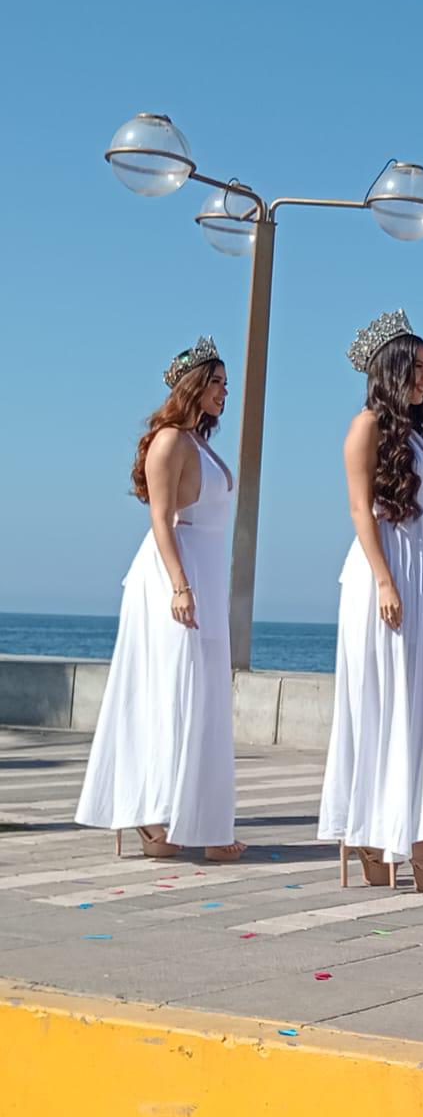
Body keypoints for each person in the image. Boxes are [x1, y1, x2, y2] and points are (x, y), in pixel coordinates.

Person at [317, 310, 423, 894]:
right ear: (394, 370)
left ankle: (392, 832)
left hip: (422, 573)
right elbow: (360, 510)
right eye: (419, 368)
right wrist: (385, 579)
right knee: (392, 699)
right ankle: (409, 840)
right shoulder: (365, 427)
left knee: (420, 699)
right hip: (385, 573)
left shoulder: (414, 436)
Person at [76, 337, 246, 862]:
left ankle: (203, 819)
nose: (225, 391)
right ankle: (151, 815)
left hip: (207, 572)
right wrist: (179, 584)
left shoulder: (202, 443)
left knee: (205, 696)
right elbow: (160, 519)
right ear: (193, 385)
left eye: (225, 382)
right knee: (169, 693)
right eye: (216, 381)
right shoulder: (170, 441)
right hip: (174, 575)